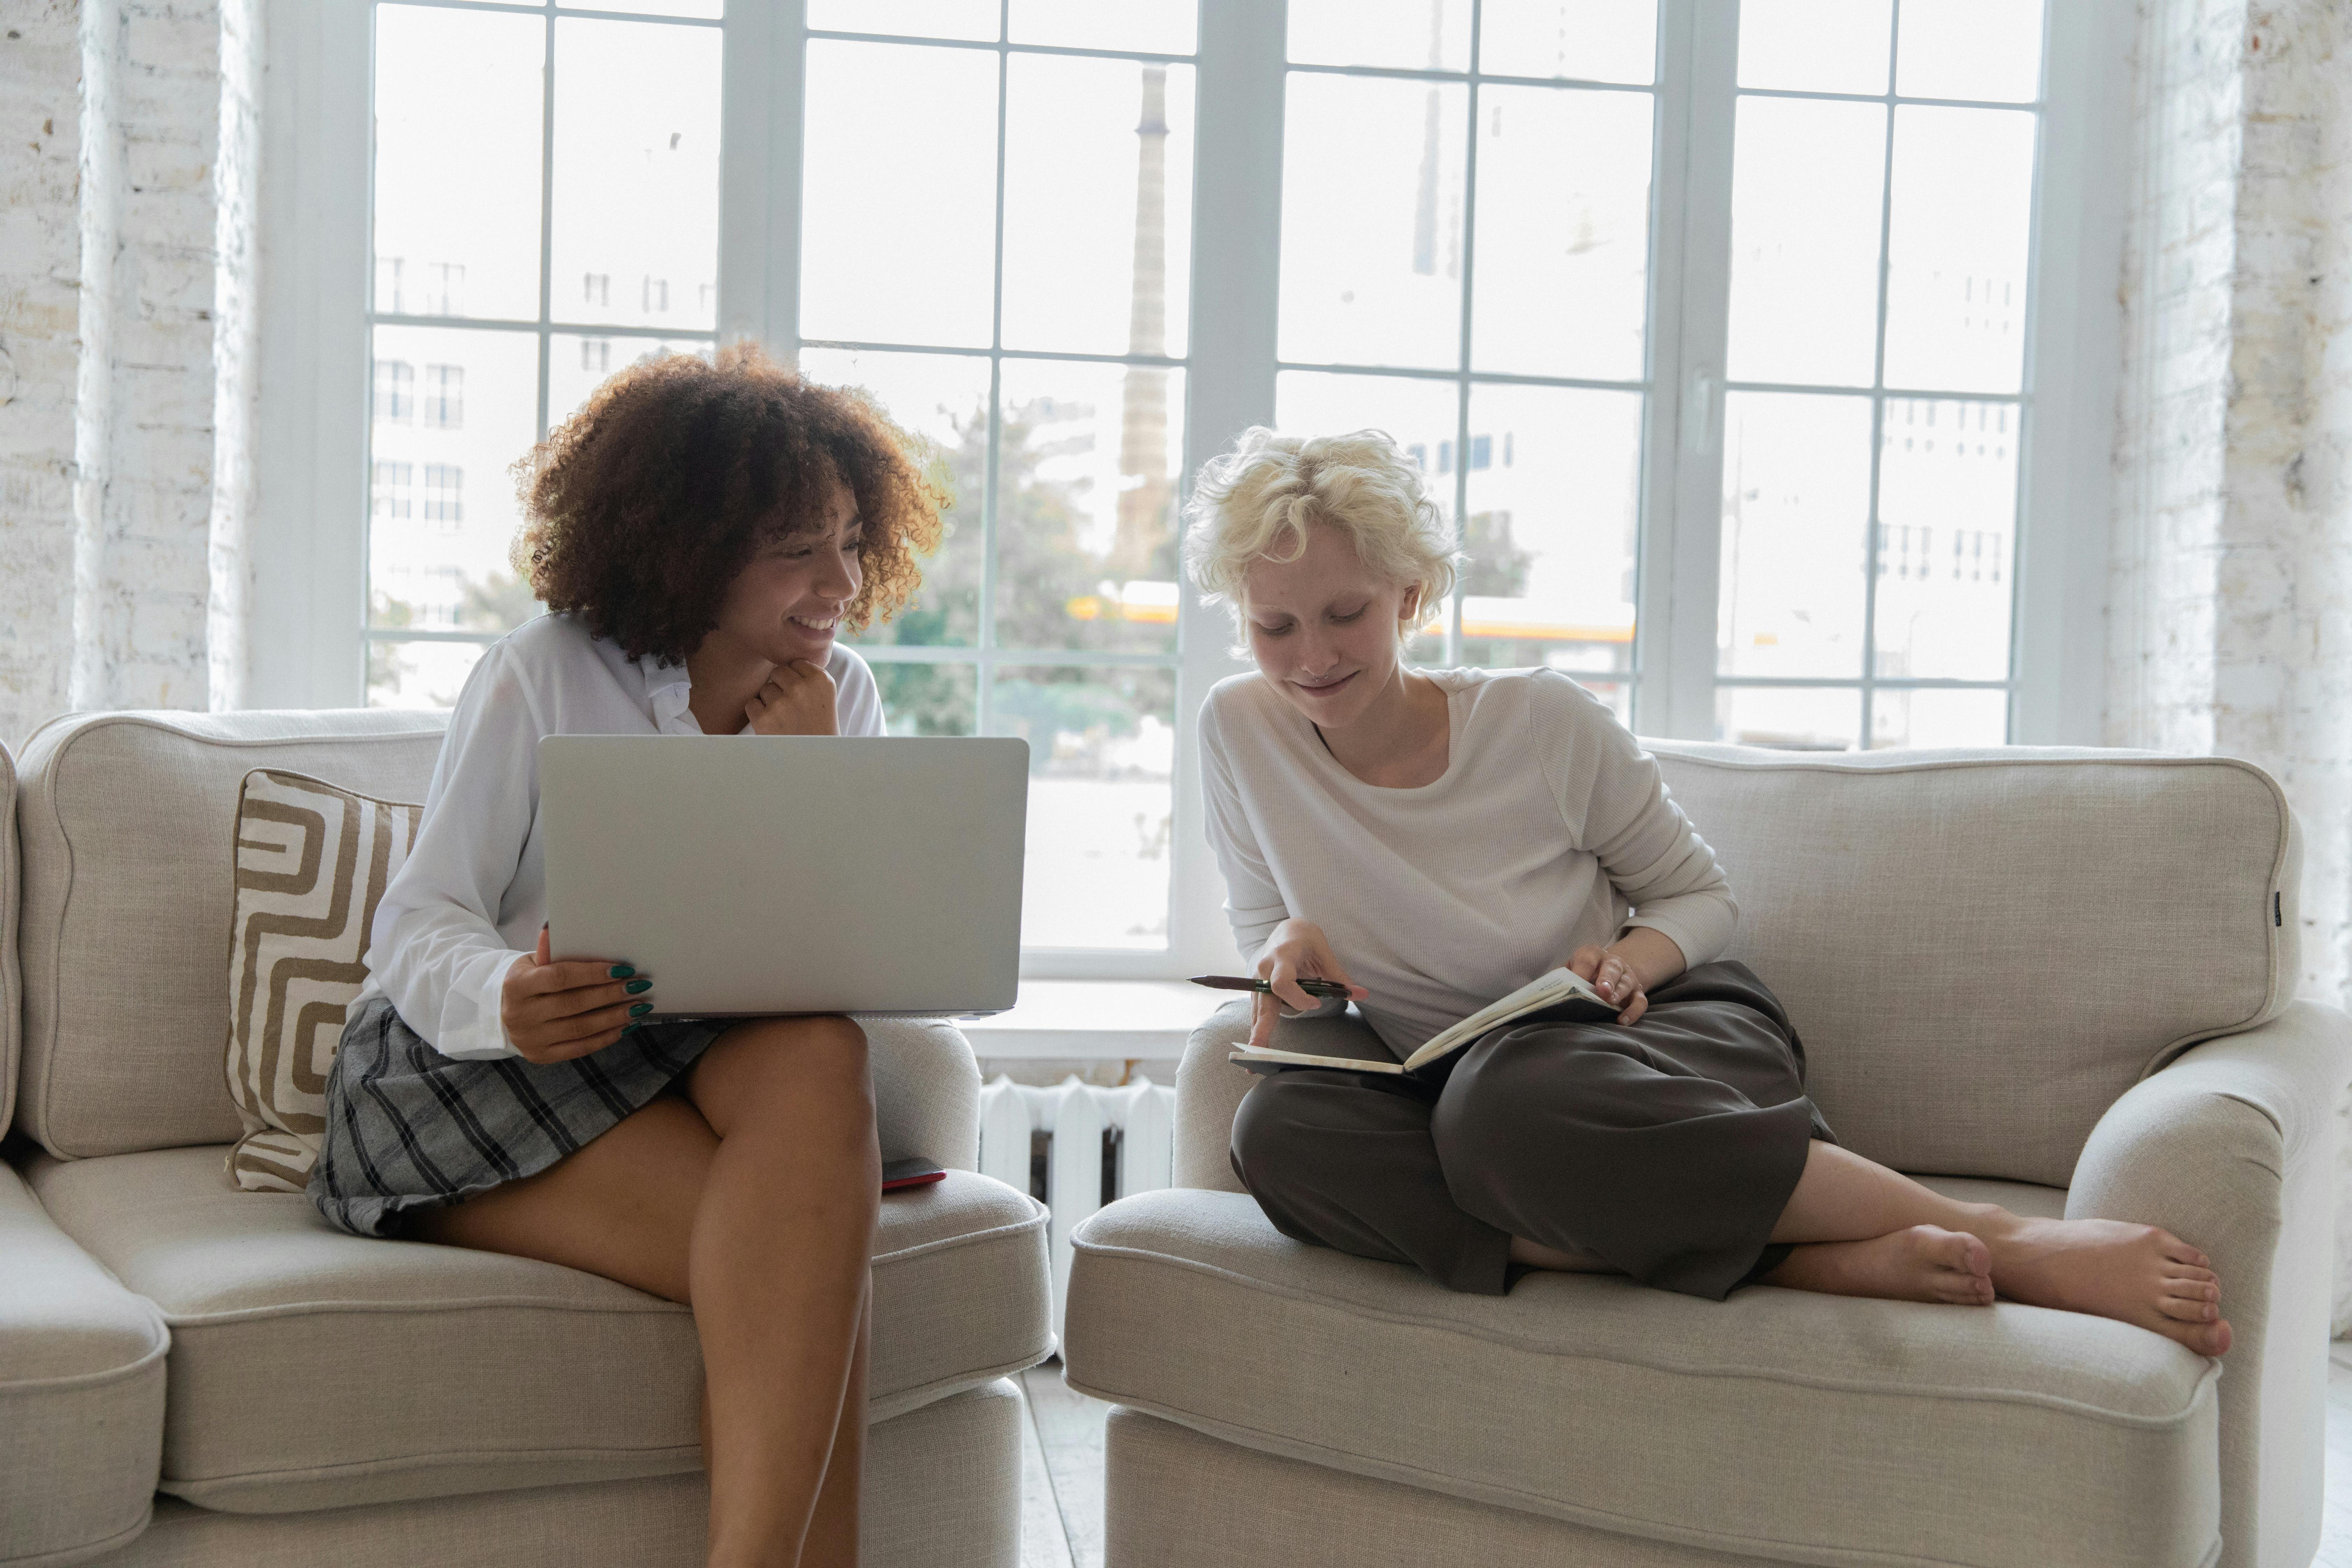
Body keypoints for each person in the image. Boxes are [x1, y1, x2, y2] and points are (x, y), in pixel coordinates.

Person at [1182, 426, 2231, 1357]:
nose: (1311, 657)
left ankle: (2012, 1238)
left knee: (1504, 1107)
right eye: (1276, 628)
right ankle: (1795, 1260)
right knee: (1279, 1135)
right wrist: (1287, 948)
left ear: (1409, 596)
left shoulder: (1539, 724)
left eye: (1346, 614)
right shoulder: (1239, 730)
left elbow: (1697, 897)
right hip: (1444, 1078)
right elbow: (1261, 919)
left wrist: (1625, 963)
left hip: (1646, 1039)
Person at [310, 344, 948, 1567]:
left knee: (824, 1048)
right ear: (692, 545)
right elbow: (417, 921)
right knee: (809, 1271)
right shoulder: (544, 669)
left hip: (707, 1042)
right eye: (796, 546)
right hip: (491, 1058)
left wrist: (809, 777)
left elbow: (834, 944)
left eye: (854, 541)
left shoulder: (841, 691)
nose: (840, 582)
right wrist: (505, 991)